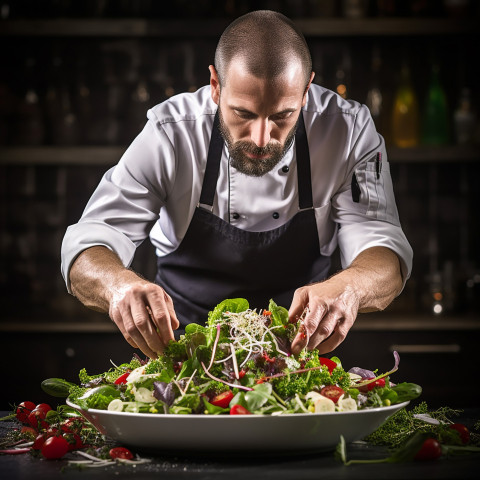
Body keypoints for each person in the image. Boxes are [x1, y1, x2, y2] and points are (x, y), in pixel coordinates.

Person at [61, 10, 412, 360]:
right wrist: (119, 287)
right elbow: (90, 243)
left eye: (282, 116)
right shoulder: (171, 132)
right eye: (243, 114)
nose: (261, 139)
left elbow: (383, 252)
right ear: (215, 86)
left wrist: (349, 288)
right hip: (183, 362)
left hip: (301, 362)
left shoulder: (348, 131)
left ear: (305, 92)